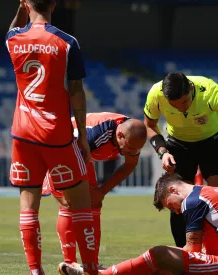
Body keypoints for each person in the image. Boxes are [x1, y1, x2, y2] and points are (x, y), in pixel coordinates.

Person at [6, 0, 99, 273]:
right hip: (56, 134)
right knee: (82, 200)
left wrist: (21, 7)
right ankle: (91, 267)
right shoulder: (67, 42)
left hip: (22, 134)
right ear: (54, 5)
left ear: (25, 4)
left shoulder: (14, 39)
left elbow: (10, 30)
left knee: (28, 205)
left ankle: (35, 271)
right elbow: (77, 92)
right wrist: (82, 136)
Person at [59, 173, 218, 275]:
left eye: (171, 205)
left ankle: (103, 274)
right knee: (161, 264)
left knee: (159, 254)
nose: (176, 211)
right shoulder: (212, 191)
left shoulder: (193, 202)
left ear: (173, 189)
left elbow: (192, 250)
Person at [144, 72, 218, 248]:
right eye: (174, 106)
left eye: (184, 102)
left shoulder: (211, 91)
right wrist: (163, 152)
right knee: (177, 200)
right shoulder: (155, 93)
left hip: (212, 142)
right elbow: (150, 125)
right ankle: (184, 253)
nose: (181, 109)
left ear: (191, 89)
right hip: (178, 144)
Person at [42, 112, 146, 270]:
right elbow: (58, 158)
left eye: (137, 149)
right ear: (120, 135)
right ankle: (69, 262)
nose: (133, 152)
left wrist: (102, 191)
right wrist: (58, 194)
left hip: (83, 156)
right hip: (64, 152)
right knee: (69, 206)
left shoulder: (132, 137)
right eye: (131, 148)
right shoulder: (95, 135)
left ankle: (92, 263)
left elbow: (129, 165)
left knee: (95, 202)